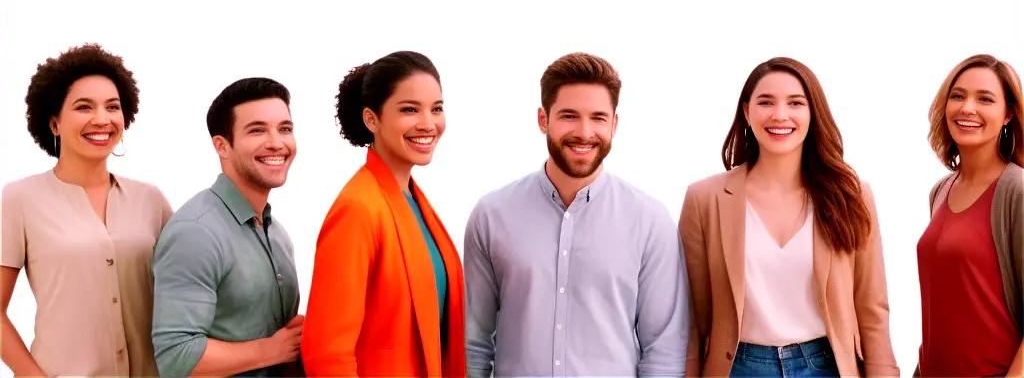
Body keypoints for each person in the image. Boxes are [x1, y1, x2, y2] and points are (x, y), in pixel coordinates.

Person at [464, 52, 687, 377]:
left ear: (614, 123)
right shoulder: (492, 215)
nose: (584, 132)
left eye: (598, 117)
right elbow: (474, 343)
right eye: (569, 116)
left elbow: (665, 350)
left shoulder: (649, 220)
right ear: (543, 119)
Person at [679, 57, 898, 378]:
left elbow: (872, 310)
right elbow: (692, 318)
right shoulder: (705, 199)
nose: (780, 115)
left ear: (812, 112)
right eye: (766, 102)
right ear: (746, 111)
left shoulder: (852, 195)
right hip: (737, 366)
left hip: (826, 365)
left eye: (795, 103)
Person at [1, 45, 171, 376]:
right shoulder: (20, 199)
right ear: (54, 123)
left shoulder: (151, 200)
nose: (102, 119)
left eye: (112, 107)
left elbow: (189, 285)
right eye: (84, 107)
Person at [302, 51, 465, 376]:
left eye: (436, 108)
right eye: (409, 110)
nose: (428, 123)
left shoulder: (414, 201)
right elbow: (327, 353)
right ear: (371, 119)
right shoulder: (358, 210)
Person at [151, 78, 302, 376]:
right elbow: (176, 356)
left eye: (285, 128)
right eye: (257, 130)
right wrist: (271, 349)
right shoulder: (196, 233)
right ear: (222, 145)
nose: (277, 142)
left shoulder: (276, 233)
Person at [916, 54, 1023, 377]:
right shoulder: (941, 191)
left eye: (985, 99)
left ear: (1008, 115)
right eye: (958, 96)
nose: (967, 108)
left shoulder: (1016, 191)